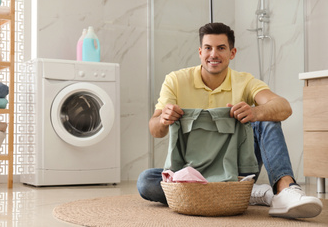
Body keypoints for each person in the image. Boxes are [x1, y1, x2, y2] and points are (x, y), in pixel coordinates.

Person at [137, 22, 323, 219]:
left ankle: (285, 190)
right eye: (208, 48)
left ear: (232, 53)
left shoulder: (245, 81)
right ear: (200, 52)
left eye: (221, 48)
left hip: (235, 166)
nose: (213, 54)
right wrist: (163, 119)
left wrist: (255, 112)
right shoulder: (175, 80)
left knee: (267, 118)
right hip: (193, 170)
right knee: (146, 181)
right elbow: (155, 130)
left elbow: (284, 107)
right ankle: (240, 192)